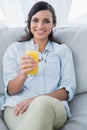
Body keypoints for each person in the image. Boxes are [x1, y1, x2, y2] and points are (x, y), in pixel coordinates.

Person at [2, 1, 76, 130]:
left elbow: (67, 90)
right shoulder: (15, 49)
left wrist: (36, 99)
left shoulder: (62, 51)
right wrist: (23, 74)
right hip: (18, 107)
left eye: (46, 21)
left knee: (42, 104)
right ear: (29, 23)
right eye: (35, 20)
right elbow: (11, 90)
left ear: (53, 24)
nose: (40, 26)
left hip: (52, 105)